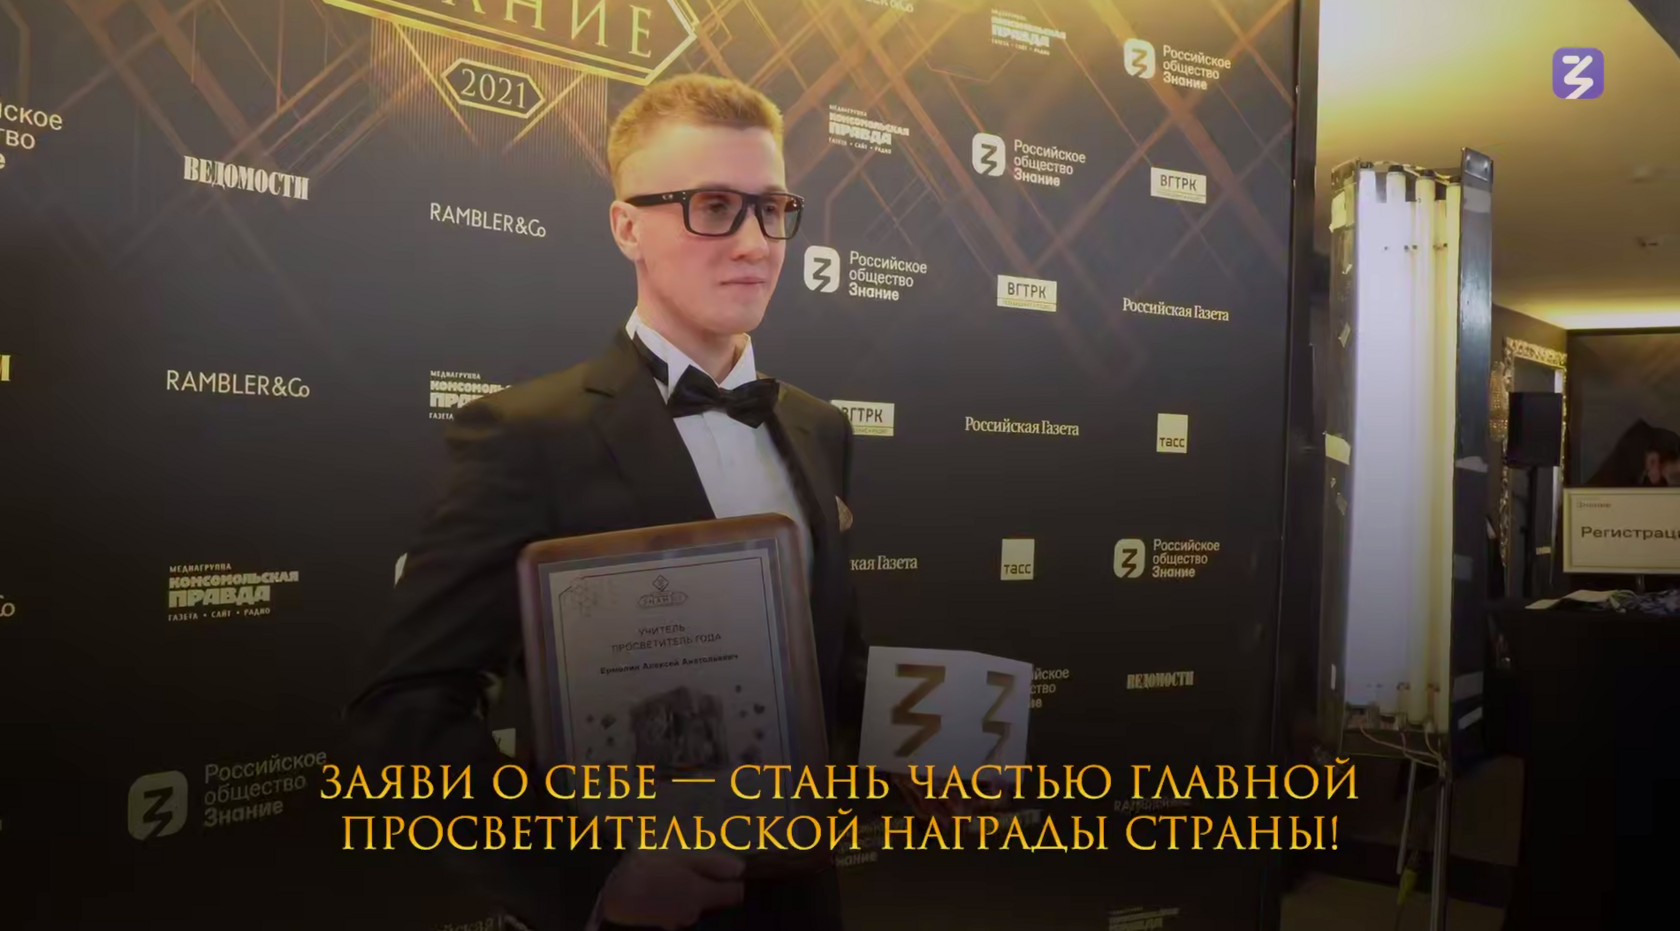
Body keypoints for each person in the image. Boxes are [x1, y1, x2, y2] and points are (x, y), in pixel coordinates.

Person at [345, 74, 866, 931]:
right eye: (713, 206)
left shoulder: (821, 429)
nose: (755, 243)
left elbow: (832, 669)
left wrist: (921, 760)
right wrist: (590, 882)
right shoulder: (525, 435)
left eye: (772, 208)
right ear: (627, 226)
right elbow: (403, 712)